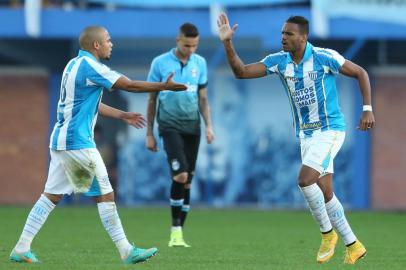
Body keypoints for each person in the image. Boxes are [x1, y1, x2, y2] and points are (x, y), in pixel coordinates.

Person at [9, 25, 187, 264]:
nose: (111, 43)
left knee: (51, 196)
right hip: (78, 142)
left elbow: (88, 104)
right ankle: (126, 250)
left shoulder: (73, 65)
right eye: (108, 40)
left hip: (61, 141)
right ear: (96, 45)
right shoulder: (92, 67)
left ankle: (21, 247)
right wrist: (163, 86)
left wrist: (123, 115)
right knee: (106, 194)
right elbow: (129, 84)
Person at [217, 14, 375, 264]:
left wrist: (367, 108)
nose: (283, 37)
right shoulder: (279, 62)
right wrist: (227, 42)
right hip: (306, 135)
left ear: (303, 37)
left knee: (304, 180)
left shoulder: (324, 57)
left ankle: (327, 234)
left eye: (289, 34)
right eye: (282, 33)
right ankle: (353, 245)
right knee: (325, 192)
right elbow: (241, 72)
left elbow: (360, 72)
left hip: (330, 130)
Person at [145, 23, 214, 247]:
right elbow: (152, 99)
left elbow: (203, 99)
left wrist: (209, 126)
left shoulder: (200, 63)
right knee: (181, 175)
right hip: (169, 125)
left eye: (195, 45)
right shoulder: (159, 63)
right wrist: (149, 133)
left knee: (188, 182)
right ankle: (175, 230)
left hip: (193, 127)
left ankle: (178, 234)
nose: (191, 49)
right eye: (187, 45)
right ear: (178, 40)